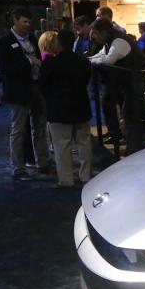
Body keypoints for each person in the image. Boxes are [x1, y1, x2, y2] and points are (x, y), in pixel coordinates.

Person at [0, 8, 54, 180]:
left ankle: (43, 163)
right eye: (24, 22)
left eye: (29, 22)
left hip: (36, 88)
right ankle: (18, 168)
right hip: (18, 91)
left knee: (40, 128)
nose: (27, 25)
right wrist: (30, 62)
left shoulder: (32, 39)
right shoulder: (4, 42)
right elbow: (7, 69)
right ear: (15, 20)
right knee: (18, 130)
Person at [39, 30, 93, 188]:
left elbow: (42, 86)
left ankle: (66, 180)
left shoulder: (50, 63)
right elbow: (86, 81)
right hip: (81, 107)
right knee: (84, 144)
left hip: (58, 109)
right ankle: (86, 176)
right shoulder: (83, 61)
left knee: (62, 146)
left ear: (58, 43)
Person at [88, 18, 145, 151]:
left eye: (96, 33)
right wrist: (90, 60)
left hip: (136, 82)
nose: (95, 37)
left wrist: (91, 61)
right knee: (127, 113)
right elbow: (100, 56)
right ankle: (130, 144)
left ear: (104, 32)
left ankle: (135, 147)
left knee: (130, 115)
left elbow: (108, 59)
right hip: (127, 84)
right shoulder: (111, 42)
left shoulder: (119, 41)